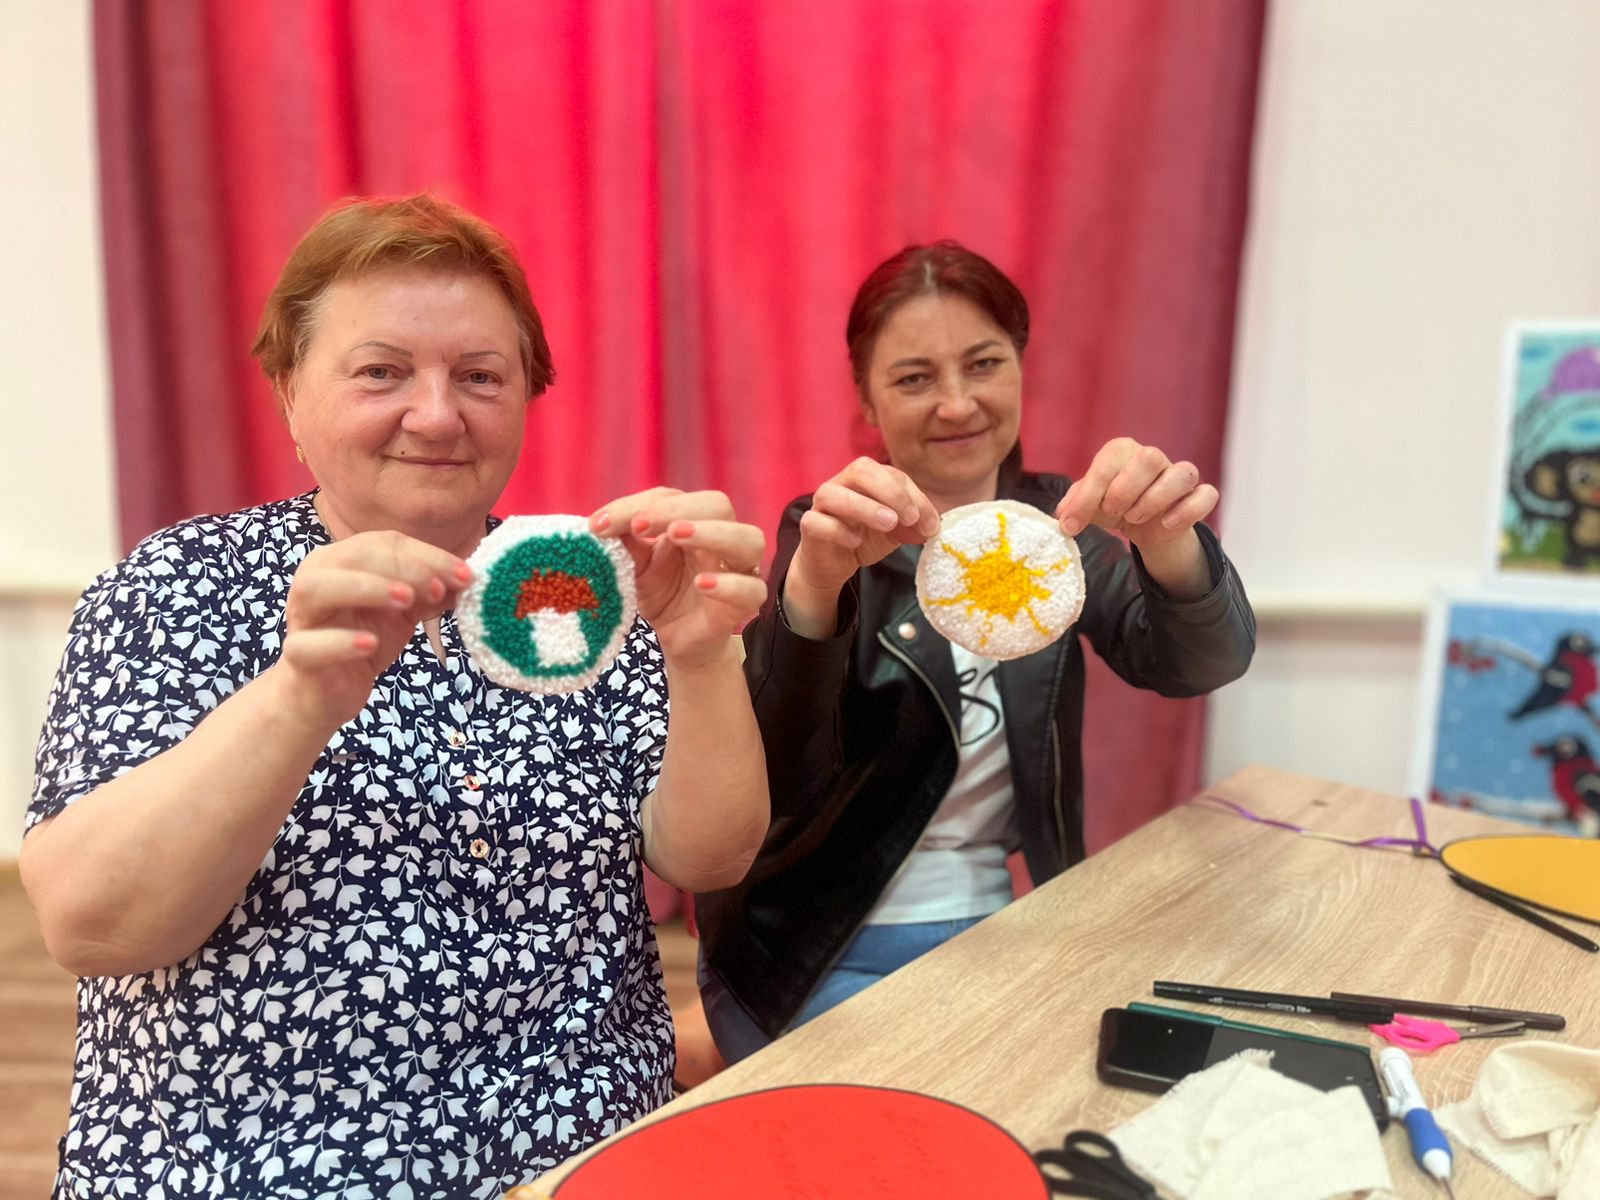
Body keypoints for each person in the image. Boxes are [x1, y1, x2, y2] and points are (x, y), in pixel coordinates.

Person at [20, 194, 770, 1199]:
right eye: (381, 372)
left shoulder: (574, 591)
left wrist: (698, 654)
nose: (436, 414)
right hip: (252, 1167)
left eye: (480, 376)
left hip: (579, 1164)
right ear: (289, 392)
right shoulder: (180, 587)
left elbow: (706, 855)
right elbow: (95, 926)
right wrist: (302, 695)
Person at [695, 240, 1255, 1061]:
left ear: (1021, 367)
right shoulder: (831, 534)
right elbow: (772, 773)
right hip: (806, 947)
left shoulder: (1058, 530)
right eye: (914, 378)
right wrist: (813, 589)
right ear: (867, 399)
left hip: (999, 928)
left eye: (983, 363)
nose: (956, 405)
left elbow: (1200, 662)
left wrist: (1167, 541)